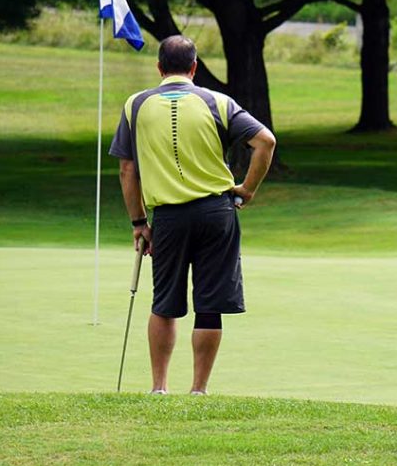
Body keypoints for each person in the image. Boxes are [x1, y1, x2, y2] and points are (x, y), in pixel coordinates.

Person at [109, 35, 276, 395]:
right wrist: (247, 189)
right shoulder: (218, 101)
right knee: (210, 304)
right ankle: (198, 391)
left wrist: (139, 223)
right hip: (216, 212)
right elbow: (266, 142)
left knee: (165, 303)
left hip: (168, 217)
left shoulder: (135, 105)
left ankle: (159, 388)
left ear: (158, 68)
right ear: (195, 67)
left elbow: (127, 170)